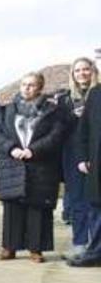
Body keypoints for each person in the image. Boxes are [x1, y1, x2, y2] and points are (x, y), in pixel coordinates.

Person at [0, 72, 66, 264]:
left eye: (32, 85)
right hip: (13, 162)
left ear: (40, 87)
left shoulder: (52, 111)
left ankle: (36, 248)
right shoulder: (7, 110)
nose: (27, 88)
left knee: (38, 208)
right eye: (24, 84)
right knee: (12, 207)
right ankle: (9, 247)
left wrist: (34, 150)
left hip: (40, 164)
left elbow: (56, 135)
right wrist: (11, 149)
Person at [57, 58, 97, 257]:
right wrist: (74, 116)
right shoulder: (65, 99)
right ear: (73, 74)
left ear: (93, 71)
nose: (82, 73)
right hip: (72, 155)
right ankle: (80, 242)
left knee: (95, 201)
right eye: (78, 70)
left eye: (86, 69)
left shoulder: (98, 94)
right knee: (77, 200)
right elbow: (58, 129)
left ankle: (95, 243)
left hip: (95, 153)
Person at [68, 59, 101, 267]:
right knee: (97, 207)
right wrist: (82, 158)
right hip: (97, 162)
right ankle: (95, 253)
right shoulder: (96, 94)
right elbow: (84, 130)